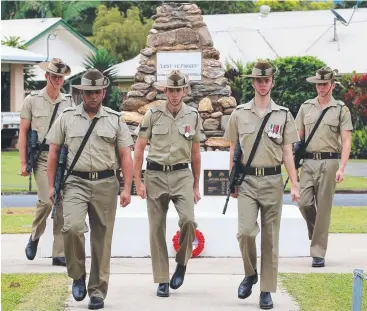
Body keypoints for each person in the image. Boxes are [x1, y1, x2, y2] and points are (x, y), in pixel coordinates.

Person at [46, 68, 134, 310]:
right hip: (75, 182)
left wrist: (127, 187)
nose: (92, 96)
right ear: (81, 93)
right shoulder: (66, 117)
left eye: (97, 92)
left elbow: (126, 155)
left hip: (106, 183)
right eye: (88, 93)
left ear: (103, 92)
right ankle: (77, 275)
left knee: (101, 239)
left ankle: (97, 291)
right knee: (72, 228)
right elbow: (53, 152)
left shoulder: (115, 119)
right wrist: (52, 186)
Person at [224, 60, 300, 310]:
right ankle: (250, 273)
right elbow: (234, 150)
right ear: (253, 83)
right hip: (246, 180)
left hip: (272, 181)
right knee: (245, 232)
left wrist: (295, 185)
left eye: (266, 80)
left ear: (272, 82)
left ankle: (266, 290)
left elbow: (288, 153)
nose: (263, 84)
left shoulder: (284, 115)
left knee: (270, 238)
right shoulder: (239, 114)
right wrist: (231, 180)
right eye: (258, 80)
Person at [133, 70, 204, 298]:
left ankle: (182, 263)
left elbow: (195, 153)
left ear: (184, 91)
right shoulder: (152, 114)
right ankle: (162, 279)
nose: (174, 95)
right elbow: (139, 149)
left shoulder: (192, 115)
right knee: (156, 228)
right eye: (171, 90)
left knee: (189, 220)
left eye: (178, 90)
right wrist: (138, 182)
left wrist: (195, 185)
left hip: (182, 175)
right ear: (166, 90)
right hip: (155, 175)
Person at [295, 66, 353, 268]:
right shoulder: (306, 107)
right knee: (304, 202)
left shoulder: (340, 109)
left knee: (324, 209)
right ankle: (316, 233)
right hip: (308, 162)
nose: (321, 88)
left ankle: (318, 253)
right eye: (318, 84)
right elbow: (298, 137)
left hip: (330, 161)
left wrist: (342, 168)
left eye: (324, 84)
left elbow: (346, 141)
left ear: (332, 86)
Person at [19, 58, 74, 266]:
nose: (58, 80)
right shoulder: (32, 100)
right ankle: (34, 237)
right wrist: (23, 162)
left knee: (61, 202)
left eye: (61, 77)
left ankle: (59, 252)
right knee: (47, 199)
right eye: (55, 76)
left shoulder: (68, 102)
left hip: (62, 159)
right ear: (47, 76)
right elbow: (23, 132)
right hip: (41, 158)